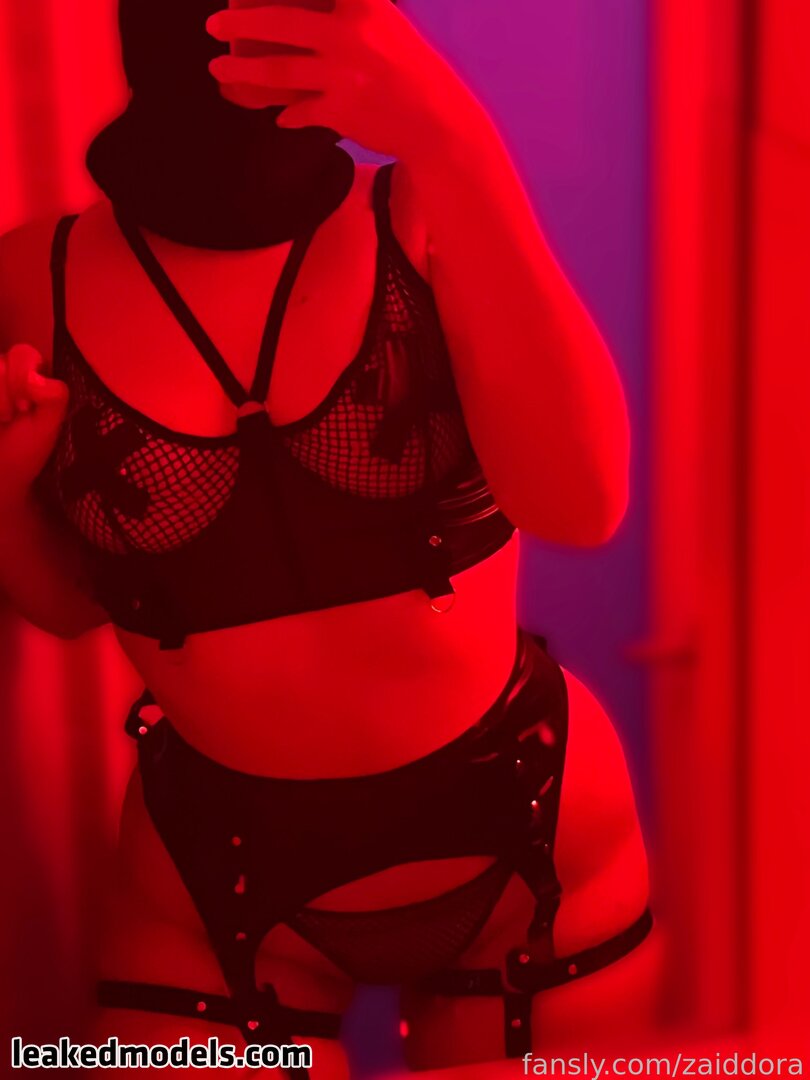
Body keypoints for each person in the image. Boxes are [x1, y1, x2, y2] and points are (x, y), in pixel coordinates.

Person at [0, 0, 659, 1076]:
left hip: (525, 837)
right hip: (209, 877)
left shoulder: (421, 211)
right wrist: (4, 490)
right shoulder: (37, 273)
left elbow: (584, 504)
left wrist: (454, 134)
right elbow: (71, 604)